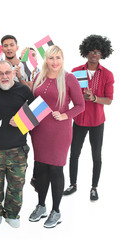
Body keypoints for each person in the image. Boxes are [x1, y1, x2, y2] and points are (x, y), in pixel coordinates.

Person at [28, 46, 84, 228]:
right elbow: (33, 103)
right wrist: (22, 122)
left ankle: (56, 211)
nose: (54, 62)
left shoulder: (69, 78)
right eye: (51, 58)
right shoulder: (39, 77)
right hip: (39, 131)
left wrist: (65, 115)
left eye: (58, 58)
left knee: (55, 170)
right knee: (41, 168)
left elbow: (80, 105)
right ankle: (41, 206)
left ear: (63, 59)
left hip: (59, 131)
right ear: (46, 60)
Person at [0, 61, 34, 228]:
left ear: (13, 74)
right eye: (0, 74)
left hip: (17, 148)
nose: (4, 77)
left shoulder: (23, 90)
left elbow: (36, 113)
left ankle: (12, 214)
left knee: (16, 186)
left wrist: (22, 121)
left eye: (7, 73)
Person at [63, 35, 114, 201]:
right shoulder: (76, 72)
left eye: (98, 52)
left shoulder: (107, 74)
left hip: (97, 121)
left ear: (102, 54)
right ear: (86, 51)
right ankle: (73, 184)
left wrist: (94, 98)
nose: (94, 54)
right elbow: (69, 95)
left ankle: (94, 187)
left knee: (96, 156)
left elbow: (109, 100)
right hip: (79, 120)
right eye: (92, 51)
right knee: (74, 153)